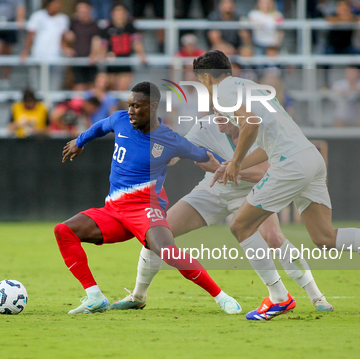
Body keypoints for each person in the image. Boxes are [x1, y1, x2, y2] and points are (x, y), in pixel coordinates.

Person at [193, 50, 360, 320]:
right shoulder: (253, 88)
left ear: (205, 77)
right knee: (324, 237)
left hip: (290, 164)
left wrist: (236, 162)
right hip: (310, 157)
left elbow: (250, 125)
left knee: (240, 225)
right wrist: (234, 164)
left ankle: (278, 298)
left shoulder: (223, 91)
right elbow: (265, 142)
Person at [111, 110, 333, 312]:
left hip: (253, 193)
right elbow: (177, 153)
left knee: (274, 238)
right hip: (212, 191)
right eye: (216, 110)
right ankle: (138, 296)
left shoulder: (263, 133)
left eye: (224, 112)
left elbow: (268, 174)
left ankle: (317, 297)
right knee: (156, 234)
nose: (217, 116)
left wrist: (223, 168)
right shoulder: (204, 126)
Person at [56, 82, 241, 314]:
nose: (131, 111)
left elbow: (204, 155)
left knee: (168, 252)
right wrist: (79, 141)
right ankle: (94, 296)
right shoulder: (121, 119)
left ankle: (221, 297)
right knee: (64, 231)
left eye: (138, 106)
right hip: (113, 210)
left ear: (153, 107)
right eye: (130, 105)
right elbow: (101, 126)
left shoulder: (170, 139)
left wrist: (225, 168)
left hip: (145, 209)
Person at [20, 0, 70, 90]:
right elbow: (30, 35)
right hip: (38, 55)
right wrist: (26, 51)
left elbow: (62, 38)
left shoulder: (63, 18)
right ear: (49, 4)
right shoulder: (37, 16)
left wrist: (65, 49)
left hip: (55, 56)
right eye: (57, 3)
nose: (59, 6)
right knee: (36, 87)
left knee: (54, 87)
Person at [95, 4, 147, 91]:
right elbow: (103, 45)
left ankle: (121, 104)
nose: (119, 15)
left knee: (122, 88)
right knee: (111, 88)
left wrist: (142, 55)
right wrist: (102, 55)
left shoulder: (130, 27)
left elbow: (136, 42)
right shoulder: (107, 28)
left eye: (122, 12)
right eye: (117, 12)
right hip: (111, 62)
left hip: (125, 62)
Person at [64, 1, 101, 91]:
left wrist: (94, 54)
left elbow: (96, 40)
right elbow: (64, 36)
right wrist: (66, 48)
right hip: (76, 60)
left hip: (90, 61)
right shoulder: (72, 24)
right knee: (78, 88)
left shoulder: (94, 25)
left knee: (91, 88)